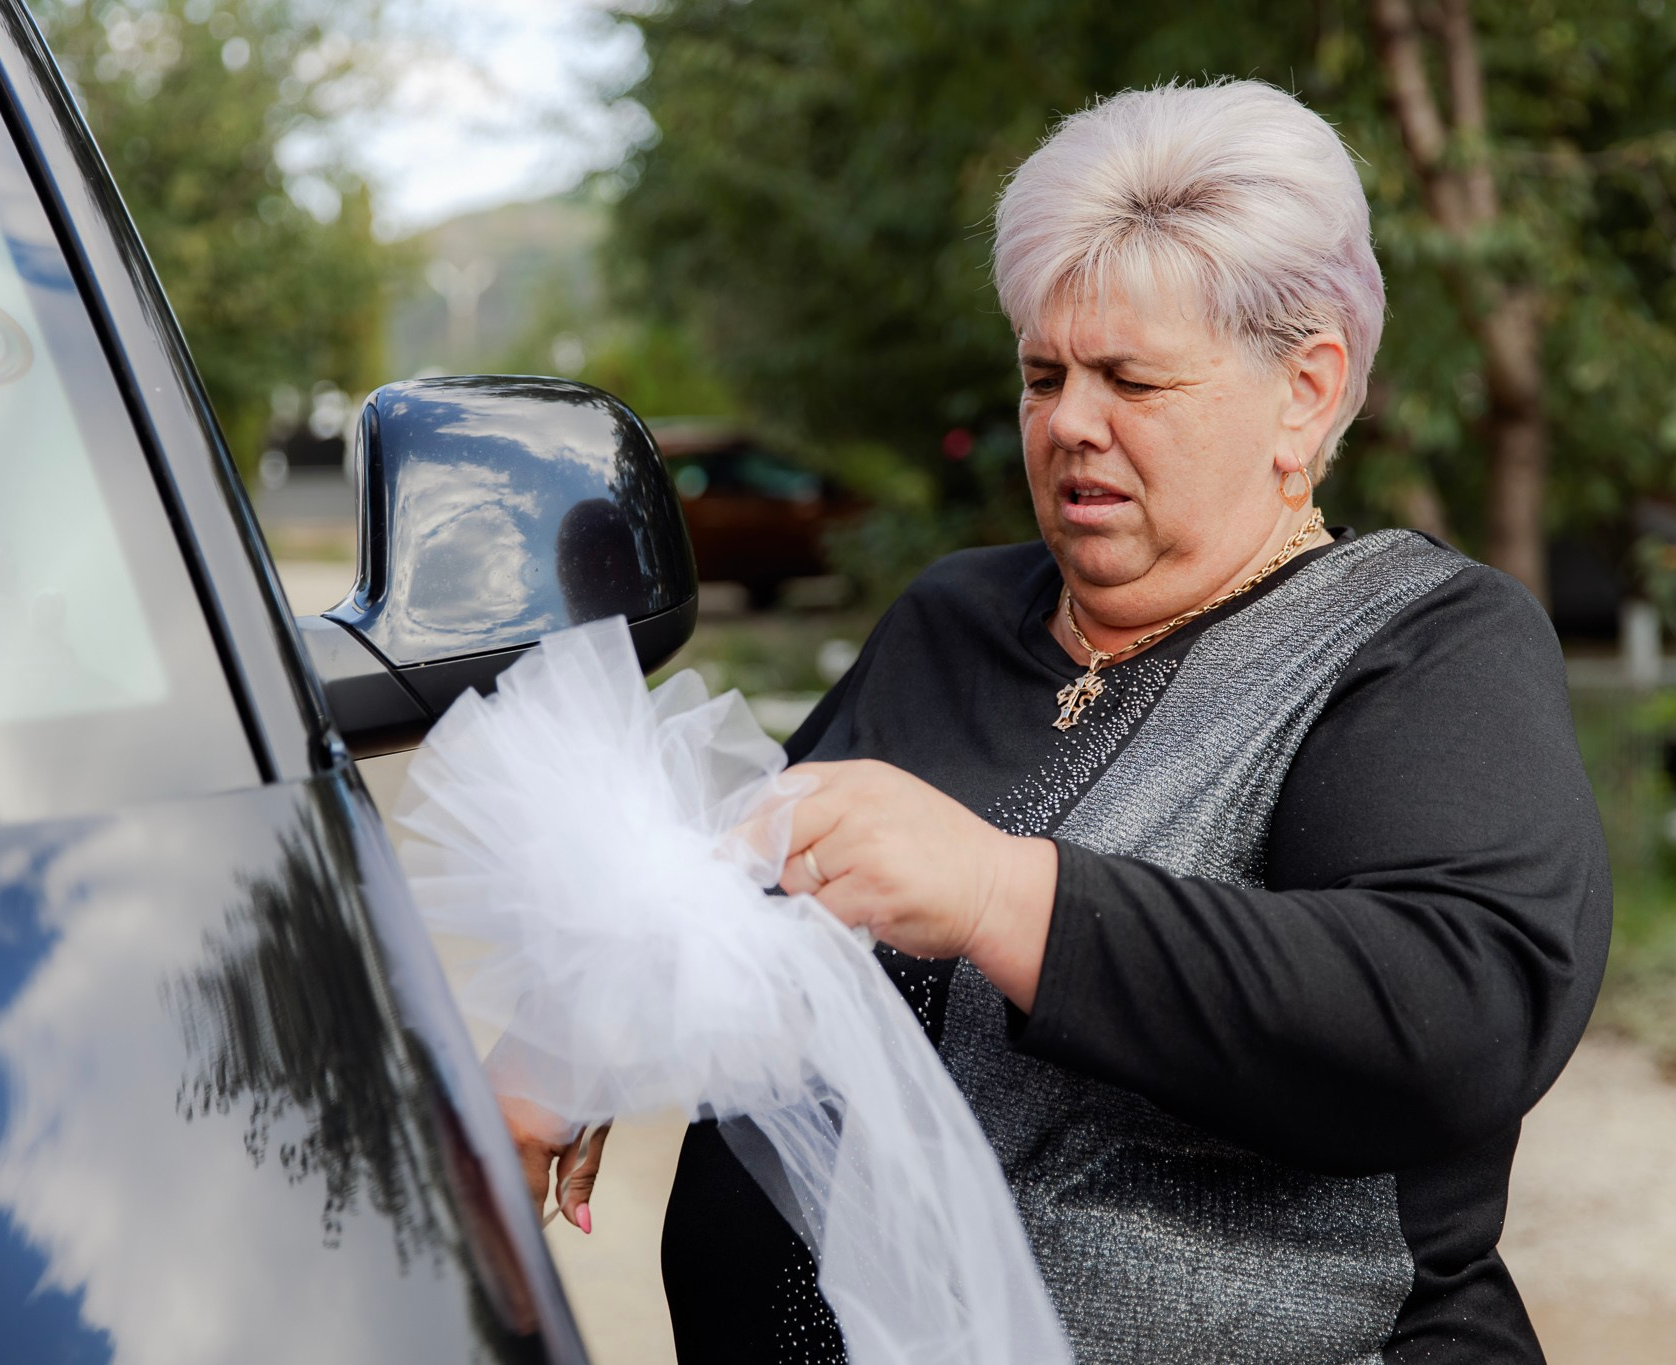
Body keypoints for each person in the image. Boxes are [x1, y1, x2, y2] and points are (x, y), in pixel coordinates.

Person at [522, 78, 1612, 1362]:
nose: (1069, 424)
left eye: (1130, 381)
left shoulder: (1424, 643)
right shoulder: (952, 616)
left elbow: (1453, 1013)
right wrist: (585, 1028)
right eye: (1043, 376)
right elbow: (749, 890)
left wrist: (1003, 898)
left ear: (1305, 392)